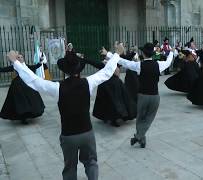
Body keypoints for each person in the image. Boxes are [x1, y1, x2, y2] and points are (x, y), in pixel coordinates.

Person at [6, 43, 123, 180]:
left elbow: (35, 81)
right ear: (79, 69)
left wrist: (18, 63)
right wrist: (116, 54)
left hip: (68, 136)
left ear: (64, 71)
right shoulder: (88, 82)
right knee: (91, 162)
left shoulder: (57, 88)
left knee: (70, 167)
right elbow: (107, 72)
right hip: (87, 133)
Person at [115, 42, 173, 148]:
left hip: (143, 96)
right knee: (149, 118)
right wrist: (172, 53)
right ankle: (142, 138)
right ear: (152, 54)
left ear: (144, 54)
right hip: (155, 96)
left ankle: (138, 136)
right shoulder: (158, 64)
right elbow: (168, 62)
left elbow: (124, 62)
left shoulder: (139, 65)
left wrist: (110, 55)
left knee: (140, 118)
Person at [84, 51, 137, 127]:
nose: (106, 58)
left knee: (119, 101)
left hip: (115, 85)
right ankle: (112, 118)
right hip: (107, 86)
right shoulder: (104, 64)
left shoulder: (115, 62)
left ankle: (120, 116)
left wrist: (133, 53)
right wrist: (84, 58)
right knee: (109, 102)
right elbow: (93, 62)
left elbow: (126, 59)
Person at [0, 53, 45, 124]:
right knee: (20, 102)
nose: (20, 58)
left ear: (23, 58)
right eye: (18, 57)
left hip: (28, 83)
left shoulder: (26, 65)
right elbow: (4, 69)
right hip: (18, 85)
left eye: (21, 57)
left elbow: (36, 66)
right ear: (17, 59)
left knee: (31, 99)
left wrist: (40, 61)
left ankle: (30, 113)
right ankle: (23, 117)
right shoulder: (15, 66)